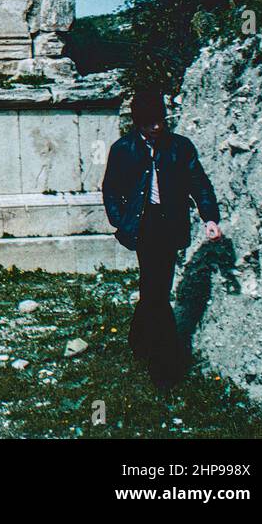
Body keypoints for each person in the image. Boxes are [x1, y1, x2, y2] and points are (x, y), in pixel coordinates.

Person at [102, 88, 222, 388]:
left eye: (160, 121)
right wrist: (120, 220)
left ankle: (140, 341)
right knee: (156, 292)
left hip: (170, 225)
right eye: (149, 123)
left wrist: (209, 218)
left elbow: (199, 183)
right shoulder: (123, 149)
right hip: (142, 225)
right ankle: (166, 366)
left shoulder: (180, 147)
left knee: (155, 290)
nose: (156, 127)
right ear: (138, 123)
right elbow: (111, 189)